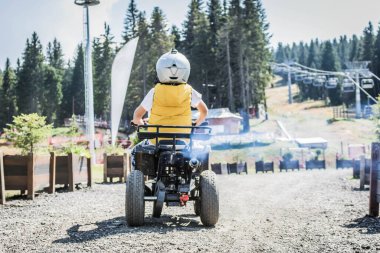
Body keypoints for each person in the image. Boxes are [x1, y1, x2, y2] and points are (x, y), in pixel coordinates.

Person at [132, 49, 208, 131]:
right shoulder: (189, 91)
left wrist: (143, 125)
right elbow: (204, 111)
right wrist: (195, 124)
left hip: (155, 140)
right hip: (183, 139)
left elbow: (137, 116)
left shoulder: (154, 92)